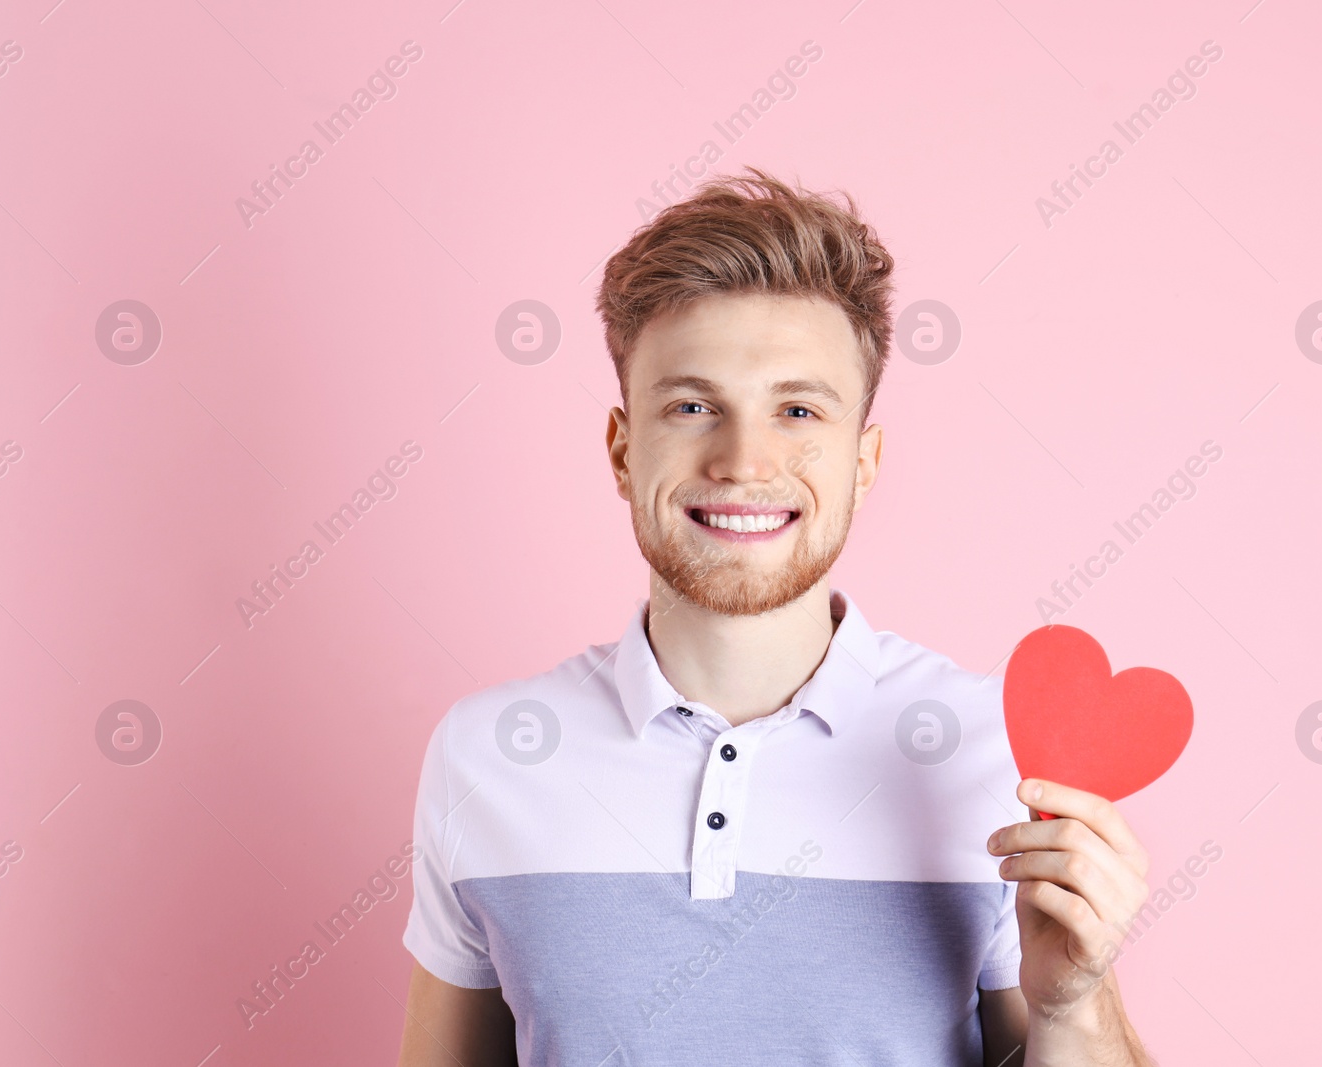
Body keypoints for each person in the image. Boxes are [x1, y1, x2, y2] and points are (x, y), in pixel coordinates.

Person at [396, 168, 1156, 1066]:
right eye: (691, 407)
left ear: (863, 461)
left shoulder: (993, 749)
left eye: (797, 410)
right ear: (621, 446)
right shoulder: (488, 751)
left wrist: (1075, 1002)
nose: (743, 460)